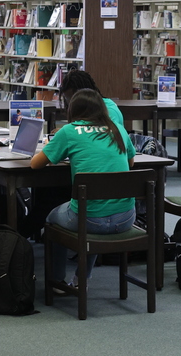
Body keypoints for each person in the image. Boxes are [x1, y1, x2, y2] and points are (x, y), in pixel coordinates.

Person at [31, 88, 136, 288]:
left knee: (53, 218)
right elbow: (131, 163)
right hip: (125, 218)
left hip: (90, 219)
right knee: (96, 206)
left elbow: (35, 164)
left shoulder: (69, 131)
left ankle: (56, 280)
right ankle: (81, 280)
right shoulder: (118, 129)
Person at [58, 69, 123, 127]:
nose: (70, 105)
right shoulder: (89, 109)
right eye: (67, 100)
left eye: (73, 99)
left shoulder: (109, 111)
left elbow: (105, 137)